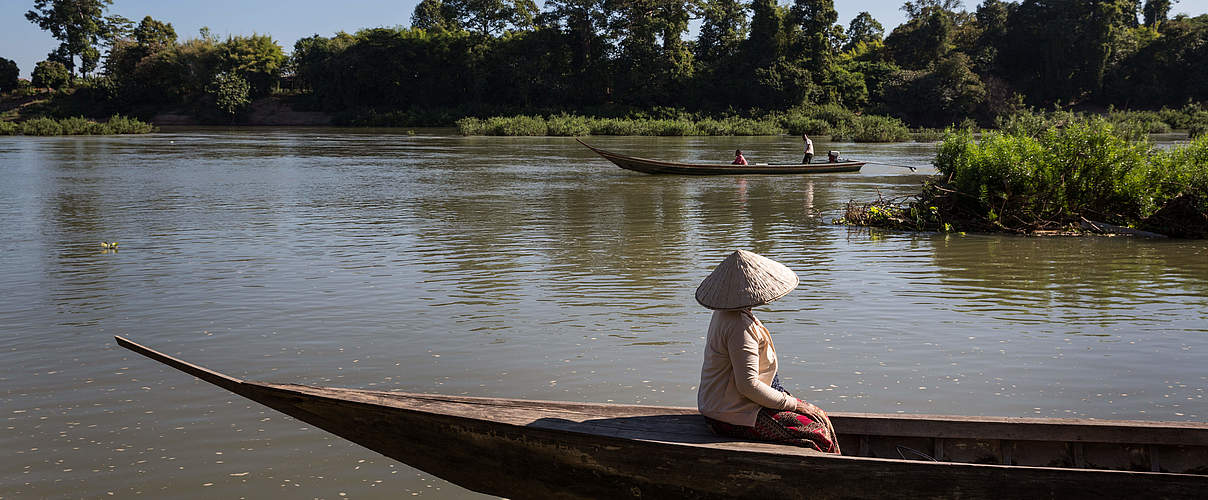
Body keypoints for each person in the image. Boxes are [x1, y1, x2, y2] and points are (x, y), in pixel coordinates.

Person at [695, 250, 840, 453]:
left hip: (721, 405)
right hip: (729, 413)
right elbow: (748, 386)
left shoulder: (727, 314)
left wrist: (791, 403)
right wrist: (794, 404)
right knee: (816, 431)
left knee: (817, 415)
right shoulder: (739, 325)